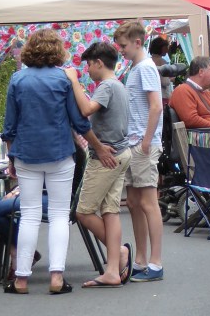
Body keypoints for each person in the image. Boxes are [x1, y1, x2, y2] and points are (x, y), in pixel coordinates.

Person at [1, 28, 90, 295]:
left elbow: (9, 125)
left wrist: (11, 157)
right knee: (60, 215)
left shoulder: (17, 79)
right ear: (57, 50)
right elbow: (78, 120)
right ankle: (56, 278)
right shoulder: (63, 80)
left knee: (28, 215)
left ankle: (21, 280)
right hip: (60, 152)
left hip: (26, 152)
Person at [64, 40, 133, 287]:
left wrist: (73, 81)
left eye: (89, 66)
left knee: (83, 212)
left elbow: (85, 110)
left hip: (106, 157)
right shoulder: (120, 86)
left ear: (99, 63)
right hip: (122, 153)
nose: (87, 71)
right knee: (110, 211)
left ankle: (119, 255)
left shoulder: (106, 86)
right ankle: (113, 270)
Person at [113, 20, 163, 283]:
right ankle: (142, 259)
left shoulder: (145, 68)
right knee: (133, 202)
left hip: (142, 143)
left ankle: (155, 261)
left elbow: (156, 106)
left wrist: (145, 141)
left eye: (123, 46)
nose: (120, 50)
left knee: (147, 202)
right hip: (134, 142)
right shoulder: (137, 68)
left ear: (137, 42)